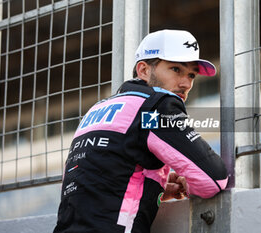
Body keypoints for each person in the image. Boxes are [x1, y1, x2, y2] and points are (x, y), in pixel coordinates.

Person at [53, 29, 228, 233]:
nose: (186, 83)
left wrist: (159, 188)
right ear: (144, 70)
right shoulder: (156, 105)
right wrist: (190, 182)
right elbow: (213, 180)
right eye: (175, 69)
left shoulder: (96, 110)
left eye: (191, 74)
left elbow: (91, 180)